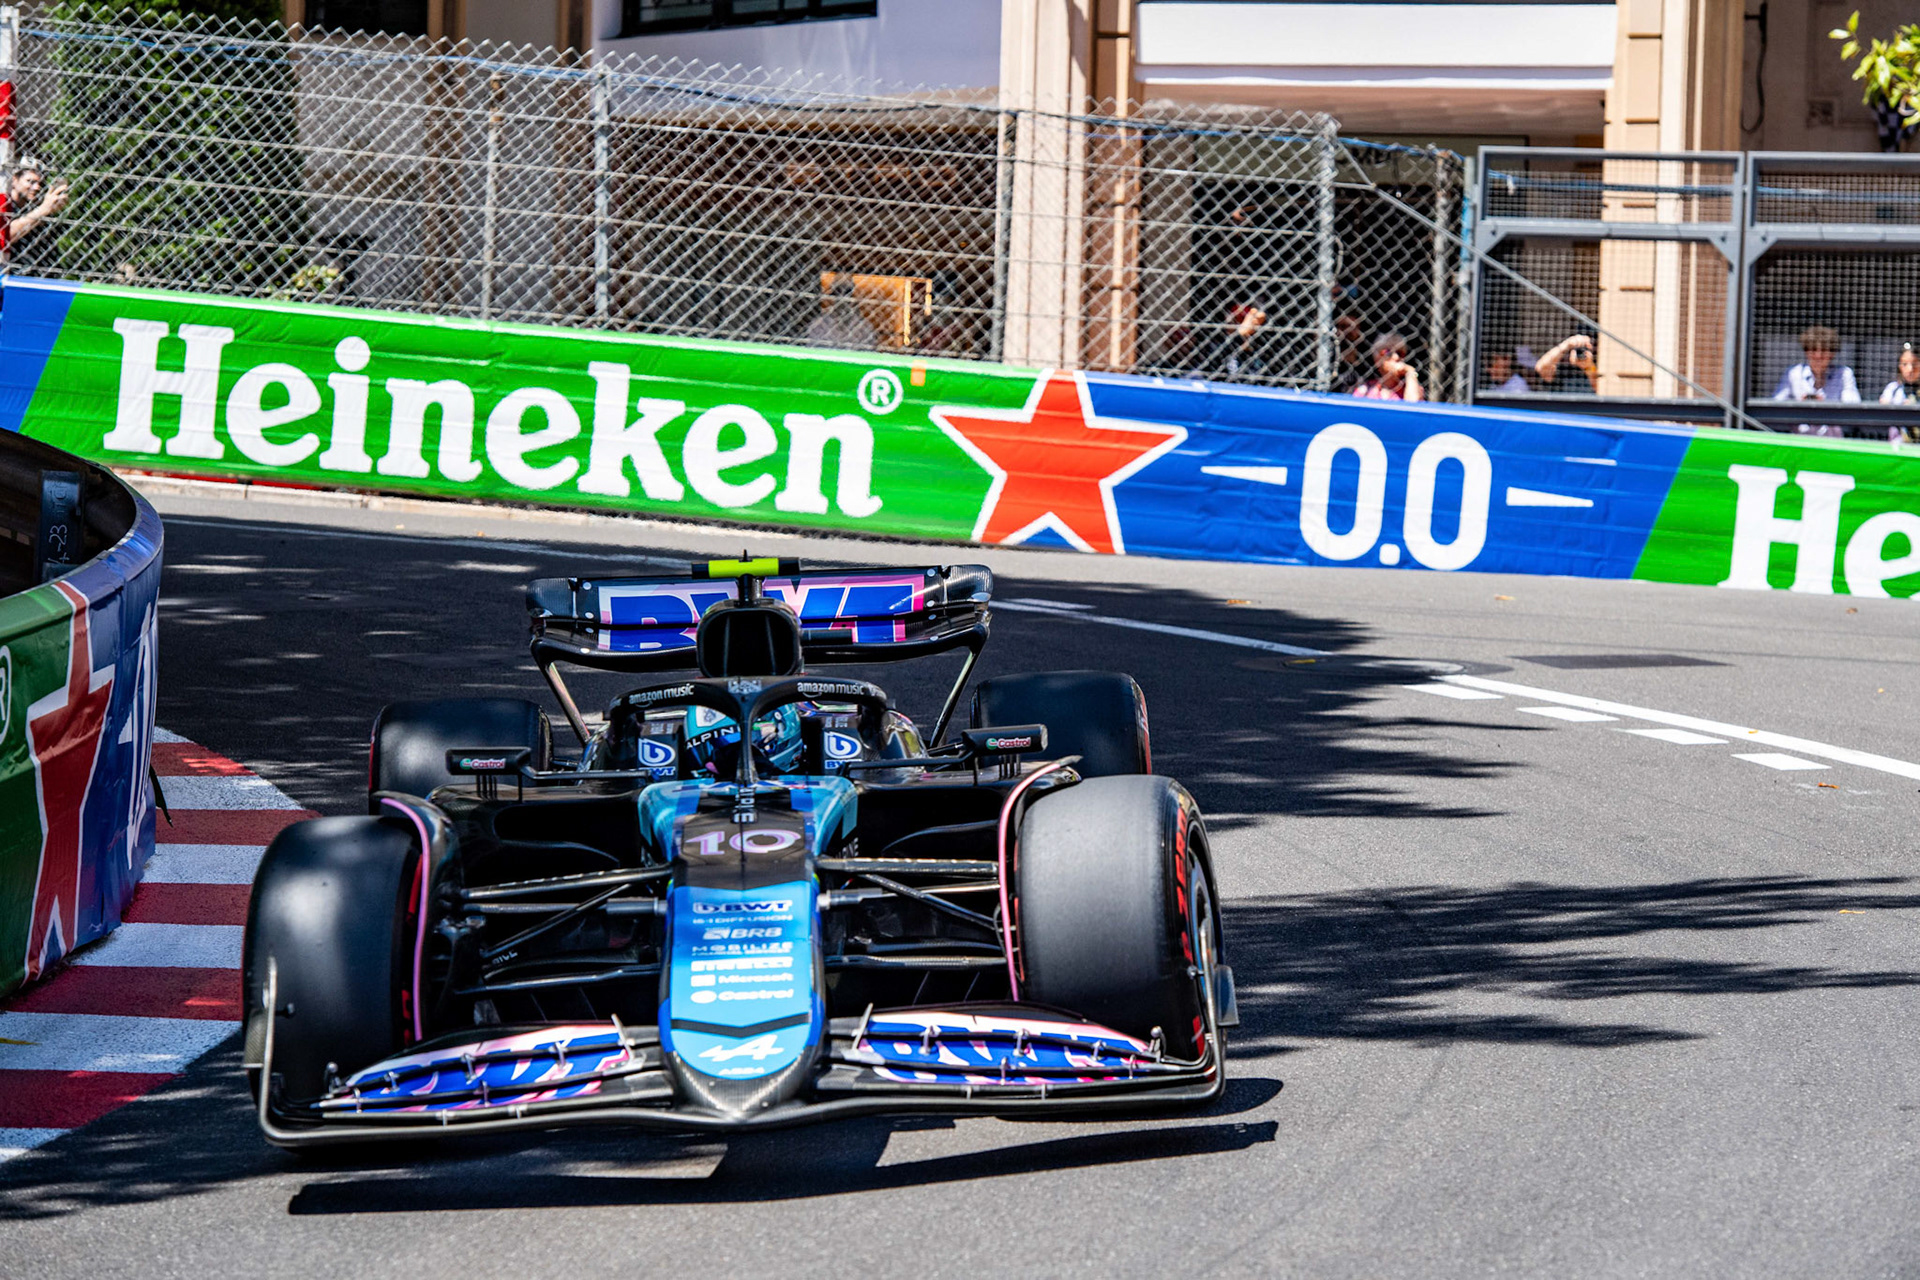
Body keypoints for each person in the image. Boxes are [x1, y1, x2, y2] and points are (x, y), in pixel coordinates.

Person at [1773, 324, 1858, 437]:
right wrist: (1798, 405)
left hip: (1833, 443)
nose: (1818, 356)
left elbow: (1854, 405)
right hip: (1801, 441)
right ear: (1806, 352)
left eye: (1824, 350)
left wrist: (1826, 405)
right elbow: (1776, 404)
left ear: (1832, 353)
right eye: (1813, 350)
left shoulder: (1844, 374)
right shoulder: (1794, 373)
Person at [5, 161, 70, 255]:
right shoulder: (4, 203)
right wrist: (43, 209)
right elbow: (5, 236)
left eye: (40, 183)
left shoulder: (30, 207)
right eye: (30, 181)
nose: (37, 187)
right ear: (14, 180)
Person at [805, 276, 876, 351]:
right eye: (837, 291)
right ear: (832, 295)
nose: (842, 296)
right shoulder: (818, 324)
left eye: (847, 292)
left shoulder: (864, 327)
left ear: (852, 295)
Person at [1351, 332, 1423, 401]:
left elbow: (1412, 407)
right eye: (1388, 352)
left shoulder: (1411, 386)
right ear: (1377, 359)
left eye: (1399, 353)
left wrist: (1410, 371)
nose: (1396, 357)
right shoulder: (1366, 389)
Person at [1880, 343, 1920, 443]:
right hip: (1897, 447)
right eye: (1905, 364)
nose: (1910, 369)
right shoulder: (1893, 388)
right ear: (1899, 366)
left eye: (1914, 364)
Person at [1535, 333, 1599, 394]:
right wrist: (1568, 344)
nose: (1581, 353)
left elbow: (1597, 390)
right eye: (1578, 350)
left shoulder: (1591, 368)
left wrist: (1588, 367)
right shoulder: (1561, 371)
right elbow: (1540, 367)